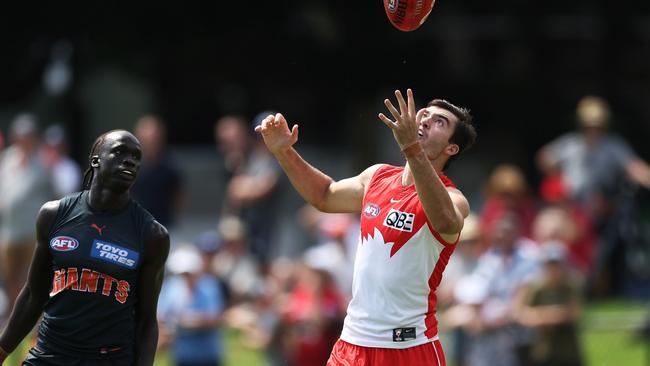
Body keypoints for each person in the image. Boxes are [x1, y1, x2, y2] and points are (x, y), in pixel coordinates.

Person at [255, 88, 477, 366]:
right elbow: (324, 195)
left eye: (439, 122)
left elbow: (446, 219)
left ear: (451, 148)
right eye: (425, 115)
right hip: (352, 344)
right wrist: (284, 151)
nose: (425, 121)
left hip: (409, 348)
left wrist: (412, 149)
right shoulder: (377, 176)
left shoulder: (454, 199)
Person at [0, 130, 170, 366]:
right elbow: (33, 295)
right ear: (96, 160)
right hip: (50, 355)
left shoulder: (152, 234)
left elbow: (146, 321)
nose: (130, 160)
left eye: (136, 156)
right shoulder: (55, 214)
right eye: (120, 152)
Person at [0, 114, 54, 320]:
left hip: (32, 232)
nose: (25, 139)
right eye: (21, 135)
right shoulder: (7, 159)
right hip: (9, 231)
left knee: (31, 280)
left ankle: (30, 320)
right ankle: (14, 319)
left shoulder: (43, 163)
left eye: (28, 135)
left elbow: (53, 194)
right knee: (10, 280)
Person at [131, 114, 184, 229]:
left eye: (154, 138)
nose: (151, 142)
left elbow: (178, 196)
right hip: (135, 225)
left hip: (164, 225)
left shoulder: (171, 166)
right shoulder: (128, 166)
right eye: (147, 138)